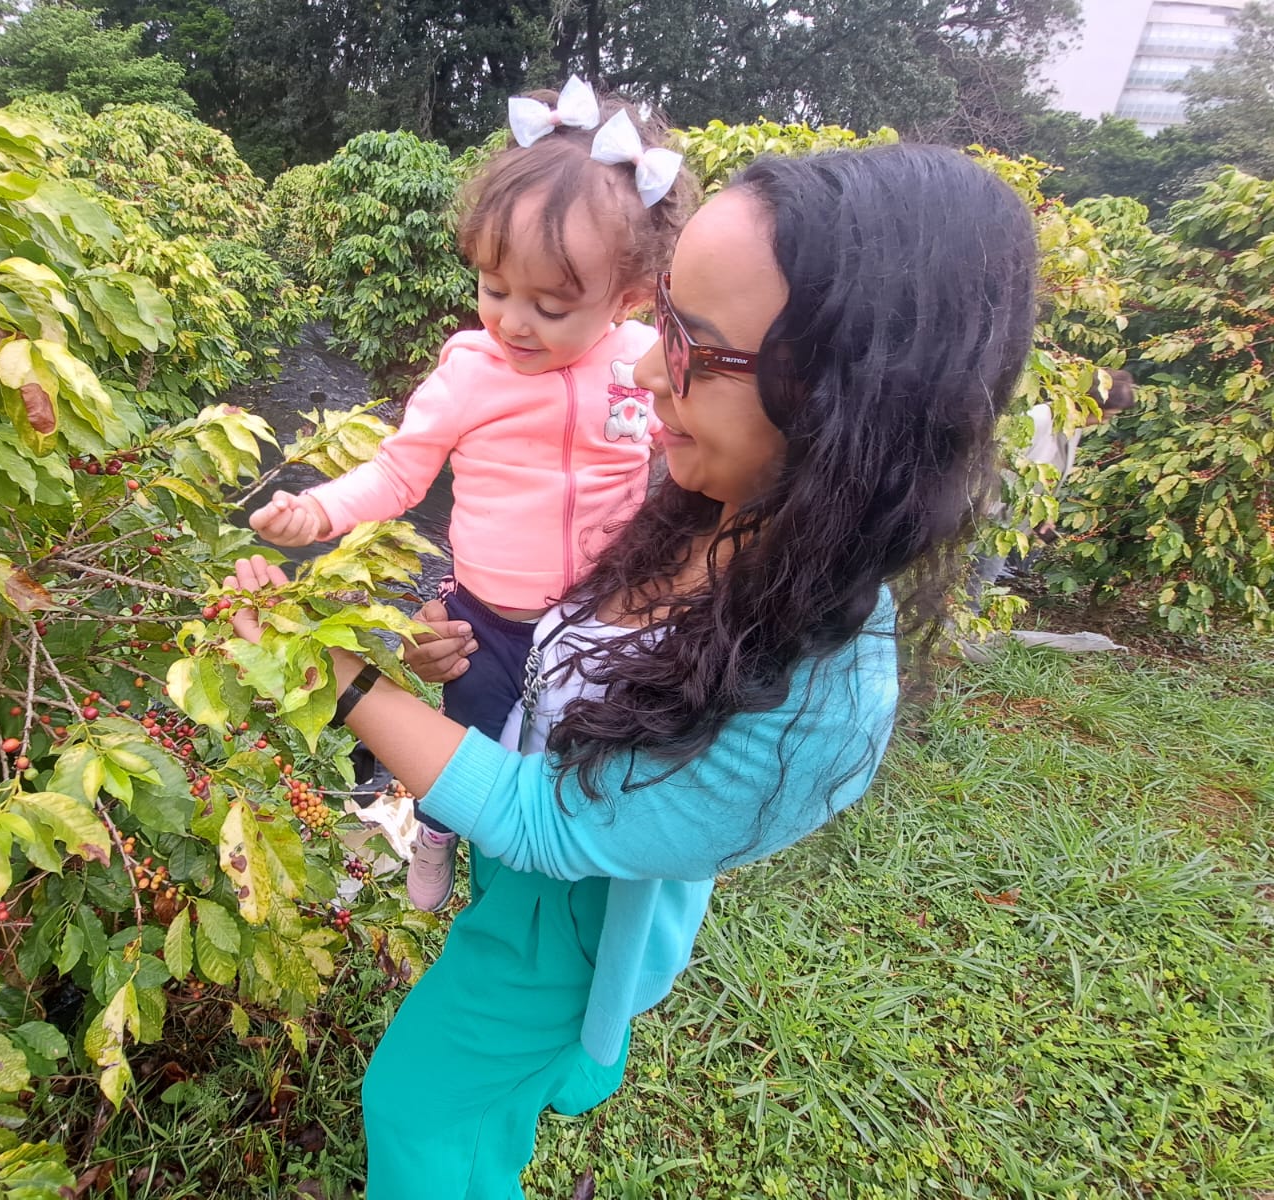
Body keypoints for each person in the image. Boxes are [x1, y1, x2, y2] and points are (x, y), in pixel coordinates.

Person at [223, 142, 1039, 1197]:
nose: (645, 365)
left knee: (419, 1112)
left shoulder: (819, 689)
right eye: (661, 320)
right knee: (478, 1115)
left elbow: (554, 824)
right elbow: (564, 629)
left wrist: (339, 681)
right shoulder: (707, 498)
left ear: (842, 399)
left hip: (566, 931)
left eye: (692, 344)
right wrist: (466, 652)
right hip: (513, 875)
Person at [248, 77, 697, 912]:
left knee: (581, 750)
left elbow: (690, 457)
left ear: (627, 297)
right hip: (489, 621)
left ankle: (556, 863)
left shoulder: (641, 363)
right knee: (467, 746)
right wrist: (317, 509)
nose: (513, 322)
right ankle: (437, 833)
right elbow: (397, 472)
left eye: (552, 305)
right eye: (495, 289)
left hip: (607, 609)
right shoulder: (469, 372)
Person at [972, 368, 1135, 601]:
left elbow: (1043, 476)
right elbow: (993, 467)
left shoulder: (1070, 429)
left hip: (1005, 524)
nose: (1102, 422)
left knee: (978, 589)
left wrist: (1041, 515)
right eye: (1106, 416)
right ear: (1091, 404)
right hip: (986, 522)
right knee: (970, 592)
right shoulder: (1038, 419)